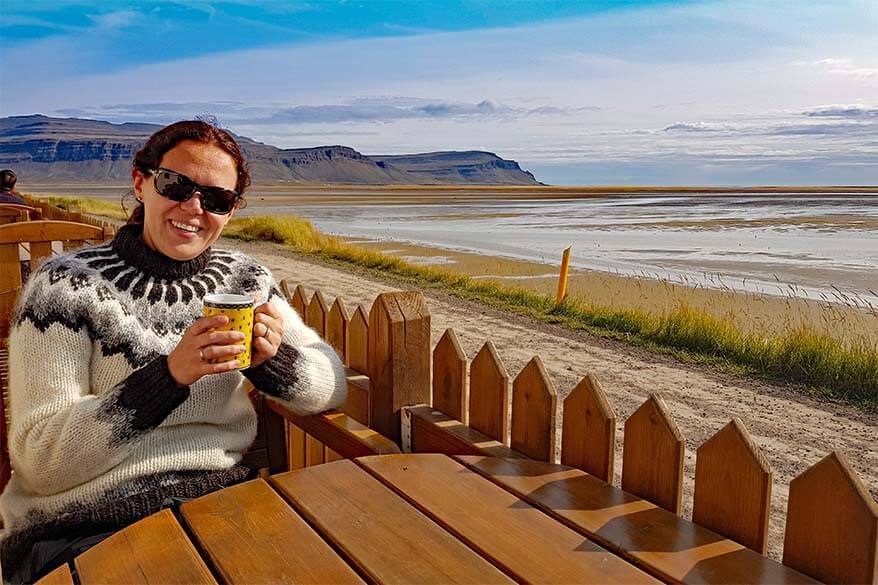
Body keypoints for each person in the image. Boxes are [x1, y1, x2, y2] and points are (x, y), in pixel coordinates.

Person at [0, 121, 348, 582]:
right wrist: (167, 378)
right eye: (176, 185)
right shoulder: (65, 287)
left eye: (216, 199)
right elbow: (41, 464)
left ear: (231, 211)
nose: (194, 208)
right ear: (141, 182)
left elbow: (334, 385)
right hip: (82, 526)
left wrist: (275, 364)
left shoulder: (246, 281)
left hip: (220, 506)